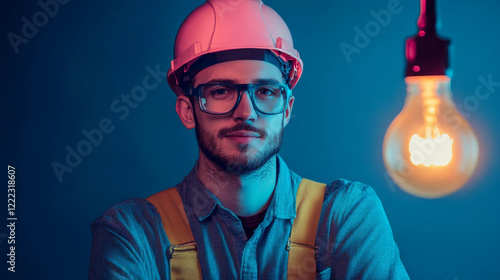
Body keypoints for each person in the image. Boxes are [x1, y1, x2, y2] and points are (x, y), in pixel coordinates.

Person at [89, 0, 409, 279]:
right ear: (187, 111)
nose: (246, 112)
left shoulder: (345, 218)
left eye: (266, 91)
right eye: (221, 91)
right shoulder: (134, 234)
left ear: (286, 110)